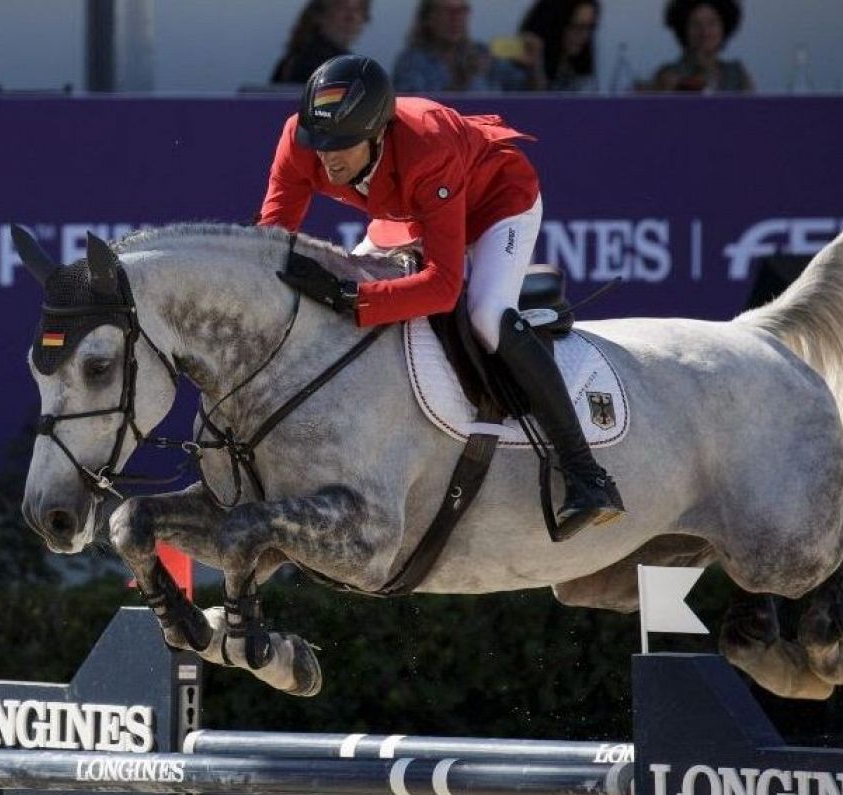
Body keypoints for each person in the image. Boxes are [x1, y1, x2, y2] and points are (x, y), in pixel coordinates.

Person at [257, 55, 623, 538]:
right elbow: (270, 244)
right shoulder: (300, 140)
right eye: (319, 143)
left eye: (342, 145)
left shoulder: (427, 143)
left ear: (378, 133)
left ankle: (586, 474)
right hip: (409, 209)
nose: (327, 158)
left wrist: (351, 296)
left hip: (496, 199)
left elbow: (441, 285)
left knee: (486, 314)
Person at [393, 0, 538, 93]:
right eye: (447, 11)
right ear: (428, 18)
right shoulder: (410, 63)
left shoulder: (482, 53)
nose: (455, 18)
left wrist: (532, 67)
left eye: (461, 11)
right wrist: (461, 81)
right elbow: (412, 116)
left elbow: (529, 96)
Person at [646, 0, 753, 93]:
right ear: (683, 30)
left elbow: (753, 112)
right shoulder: (667, 76)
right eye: (695, 24)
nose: (704, 32)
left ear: (724, 28)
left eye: (712, 23)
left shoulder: (737, 75)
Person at [271, 0, 371, 85]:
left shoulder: (294, 58)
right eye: (341, 7)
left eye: (359, 9)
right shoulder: (317, 63)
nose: (351, 17)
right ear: (320, 16)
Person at [519, 0, 599, 93]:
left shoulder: (576, 73)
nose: (585, 36)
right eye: (577, 26)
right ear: (554, 24)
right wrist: (535, 71)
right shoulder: (515, 69)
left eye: (590, 28)